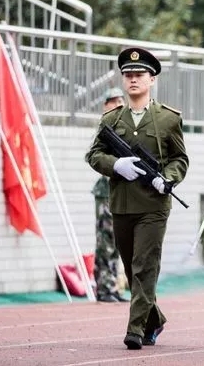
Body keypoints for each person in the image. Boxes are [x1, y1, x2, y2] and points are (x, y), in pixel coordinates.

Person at [85, 47, 189, 350]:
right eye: (128, 75)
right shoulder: (111, 119)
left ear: (151, 79)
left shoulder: (167, 119)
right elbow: (94, 154)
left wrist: (167, 178)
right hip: (121, 203)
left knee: (145, 265)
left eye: (139, 75)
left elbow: (179, 159)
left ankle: (136, 328)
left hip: (154, 206)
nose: (133, 80)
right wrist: (115, 165)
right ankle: (154, 318)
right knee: (131, 267)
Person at [91, 87, 129, 303]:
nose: (117, 105)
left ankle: (113, 286)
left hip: (120, 190)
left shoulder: (126, 125)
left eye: (120, 101)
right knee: (105, 240)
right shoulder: (105, 126)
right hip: (105, 191)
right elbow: (97, 157)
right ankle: (104, 288)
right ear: (105, 105)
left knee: (117, 241)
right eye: (113, 102)